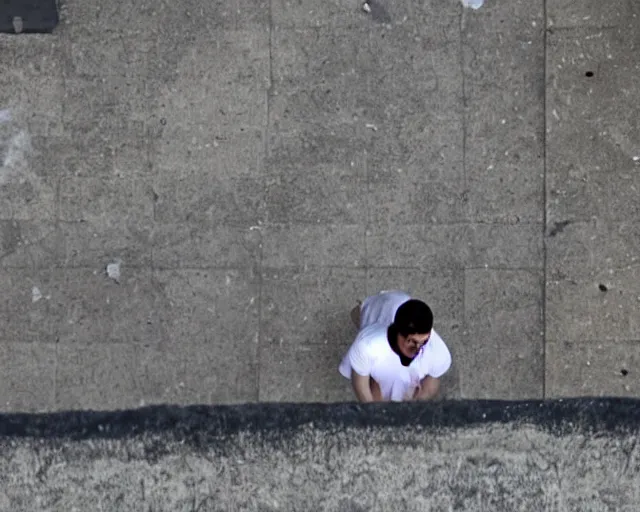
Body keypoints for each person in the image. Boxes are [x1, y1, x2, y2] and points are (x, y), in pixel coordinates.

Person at [339, 290, 452, 402]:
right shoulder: (368, 346)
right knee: (357, 314)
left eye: (423, 341)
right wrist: (371, 412)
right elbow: (361, 383)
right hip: (380, 305)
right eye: (411, 341)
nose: (418, 348)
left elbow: (431, 383)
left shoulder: (438, 353)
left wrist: (416, 407)